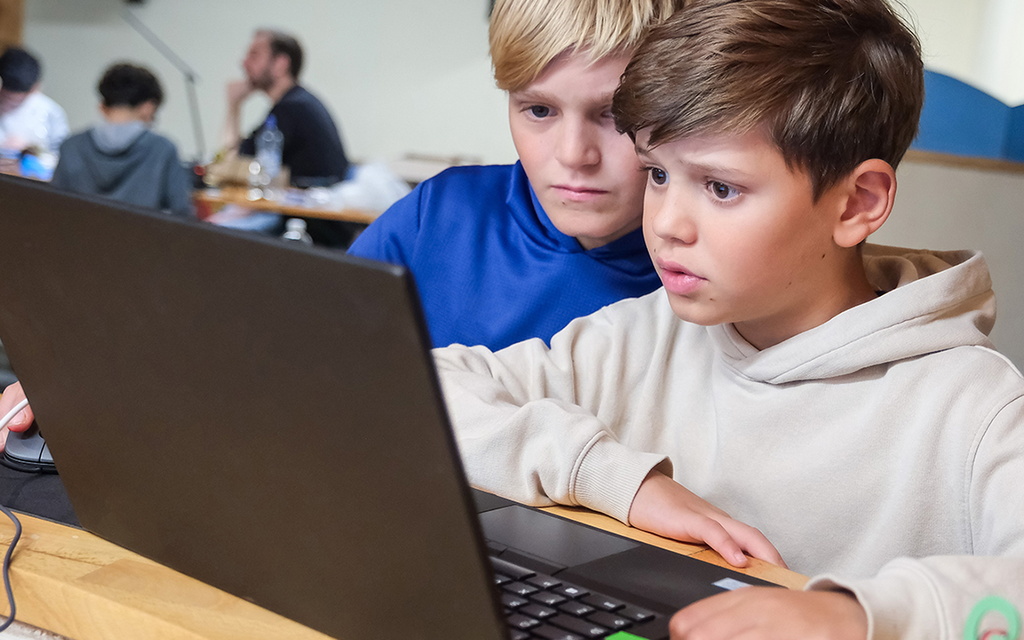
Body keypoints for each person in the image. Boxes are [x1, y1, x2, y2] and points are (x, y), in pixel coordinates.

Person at [432, 0, 1024, 637]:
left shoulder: (976, 405)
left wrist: (858, 615)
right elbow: (418, 391)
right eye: (658, 174)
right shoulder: (644, 335)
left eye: (721, 189)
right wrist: (610, 477)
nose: (665, 225)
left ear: (857, 202)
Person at [347, 0, 671, 350]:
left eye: (614, 114)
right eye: (540, 110)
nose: (574, 155)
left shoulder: (706, 274)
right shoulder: (437, 216)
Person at [216, 28, 351, 246]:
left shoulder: (293, 108)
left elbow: (233, 162)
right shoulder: (294, 103)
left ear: (280, 64)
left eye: (254, 55)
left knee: (215, 233)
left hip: (311, 226)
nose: (244, 63)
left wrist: (233, 106)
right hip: (300, 217)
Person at [49, 63, 193, 217]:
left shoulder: (71, 146)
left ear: (102, 107)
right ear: (148, 108)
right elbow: (181, 213)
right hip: (139, 238)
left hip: (77, 238)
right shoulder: (162, 150)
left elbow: (53, 208)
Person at [0, 46, 69, 173]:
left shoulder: (51, 113)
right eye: (6, 97)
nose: (11, 103)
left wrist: (31, 152)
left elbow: (62, 162)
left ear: (35, 88)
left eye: (17, 100)